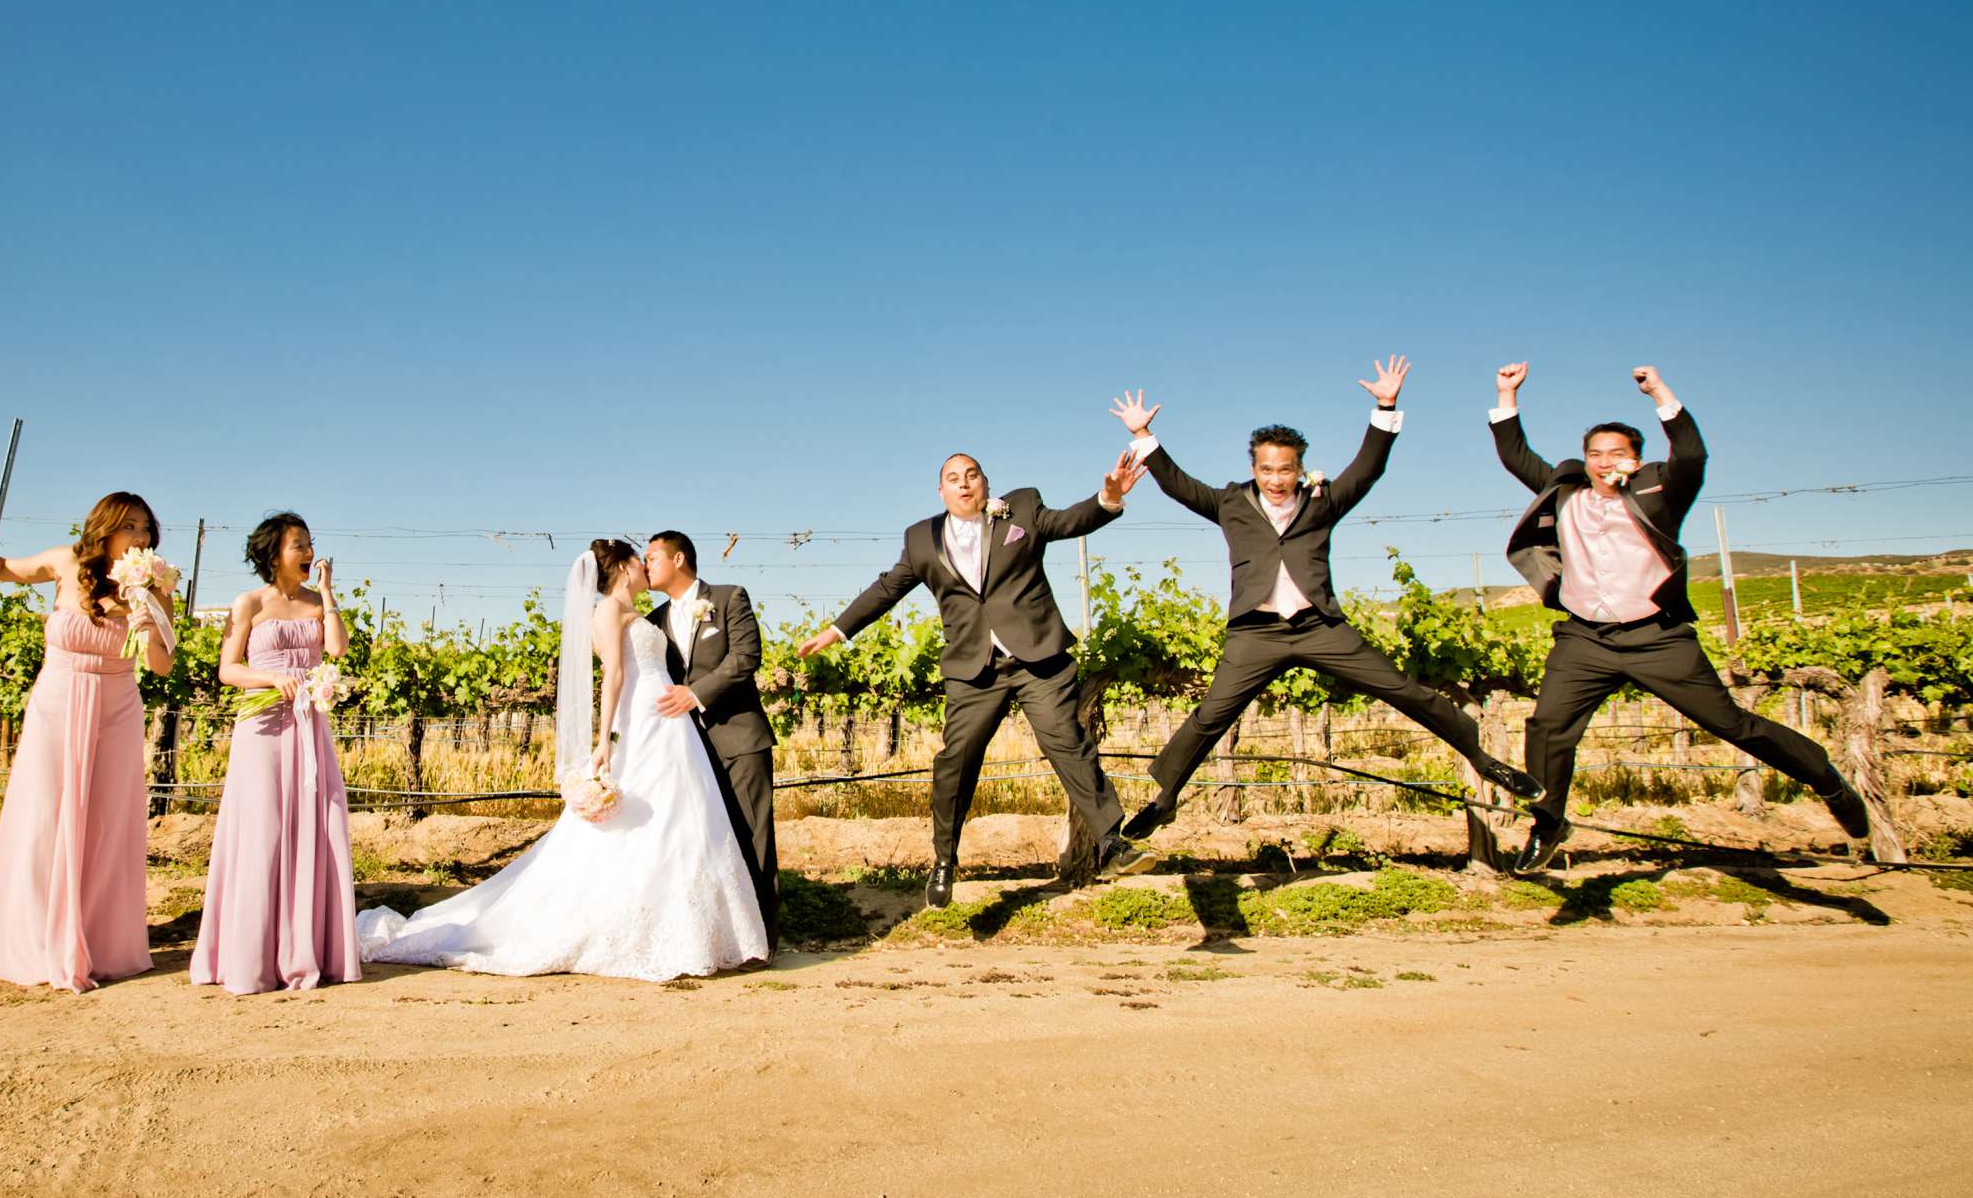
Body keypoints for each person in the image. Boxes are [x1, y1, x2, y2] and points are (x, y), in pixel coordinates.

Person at [1109, 359, 1540, 841]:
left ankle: (1483, 759)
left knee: (1402, 689)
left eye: (1286, 469)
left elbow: (1369, 467)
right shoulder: (1230, 502)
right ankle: (1163, 800)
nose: (1276, 478)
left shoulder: (1323, 500)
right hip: (1257, 630)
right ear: (1253, 468)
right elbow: (1176, 483)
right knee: (1211, 715)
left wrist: (1386, 405)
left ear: (1299, 470)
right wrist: (1143, 432)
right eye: (1267, 469)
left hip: (1320, 626)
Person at [1490, 363, 1869, 871]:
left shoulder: (1659, 494)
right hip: (1585, 638)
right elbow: (1516, 455)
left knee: (1732, 724)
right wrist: (1506, 394)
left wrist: (1659, 394)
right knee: (1547, 728)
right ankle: (1549, 825)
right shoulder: (1567, 495)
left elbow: (1691, 454)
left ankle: (1825, 778)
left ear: (1635, 460)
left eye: (1616, 454)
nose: (1604, 462)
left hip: (1657, 638)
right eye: (1595, 454)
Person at [353, 539, 766, 981]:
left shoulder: (644, 614)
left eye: (652, 557)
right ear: (625, 568)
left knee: (683, 819)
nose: (646, 566)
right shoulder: (609, 610)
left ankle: (696, 930)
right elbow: (614, 675)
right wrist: (605, 739)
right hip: (643, 719)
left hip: (668, 721)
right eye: (640, 559)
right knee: (648, 822)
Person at [800, 448, 1149, 908]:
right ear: (941, 491)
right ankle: (944, 860)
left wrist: (1107, 499)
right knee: (956, 760)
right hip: (973, 668)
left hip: (1036, 658)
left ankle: (1111, 841)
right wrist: (837, 630)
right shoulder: (922, 539)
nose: (964, 483)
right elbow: (887, 588)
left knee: (1066, 741)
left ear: (985, 482)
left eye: (972, 475)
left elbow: (1068, 522)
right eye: (953, 478)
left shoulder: (1022, 508)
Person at [0, 491, 176, 990]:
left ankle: (98, 939)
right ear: (104, 526)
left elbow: (162, 664)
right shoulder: (67, 563)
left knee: (106, 821)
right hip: (58, 701)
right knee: (44, 815)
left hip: (117, 705)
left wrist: (149, 621)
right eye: (130, 525)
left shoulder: (157, 582)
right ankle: (34, 937)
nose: (140, 536)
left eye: (146, 527)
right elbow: (3, 568)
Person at [190, 513, 359, 993]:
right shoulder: (248, 603)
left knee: (315, 823)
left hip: (309, 725)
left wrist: (327, 593)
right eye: (298, 545)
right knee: (263, 828)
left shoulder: (315, 603)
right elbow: (228, 670)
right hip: (261, 728)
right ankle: (253, 953)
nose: (308, 552)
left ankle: (307, 948)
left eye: (309, 544)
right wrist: (270, 679)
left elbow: (338, 649)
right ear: (272, 554)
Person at [642, 530, 777, 950]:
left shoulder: (729, 597)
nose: (646, 566)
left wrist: (695, 695)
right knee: (706, 842)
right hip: (686, 751)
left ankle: (766, 939)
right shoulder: (652, 622)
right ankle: (723, 937)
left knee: (754, 836)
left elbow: (745, 659)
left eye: (651, 558)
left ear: (678, 559)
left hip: (738, 737)